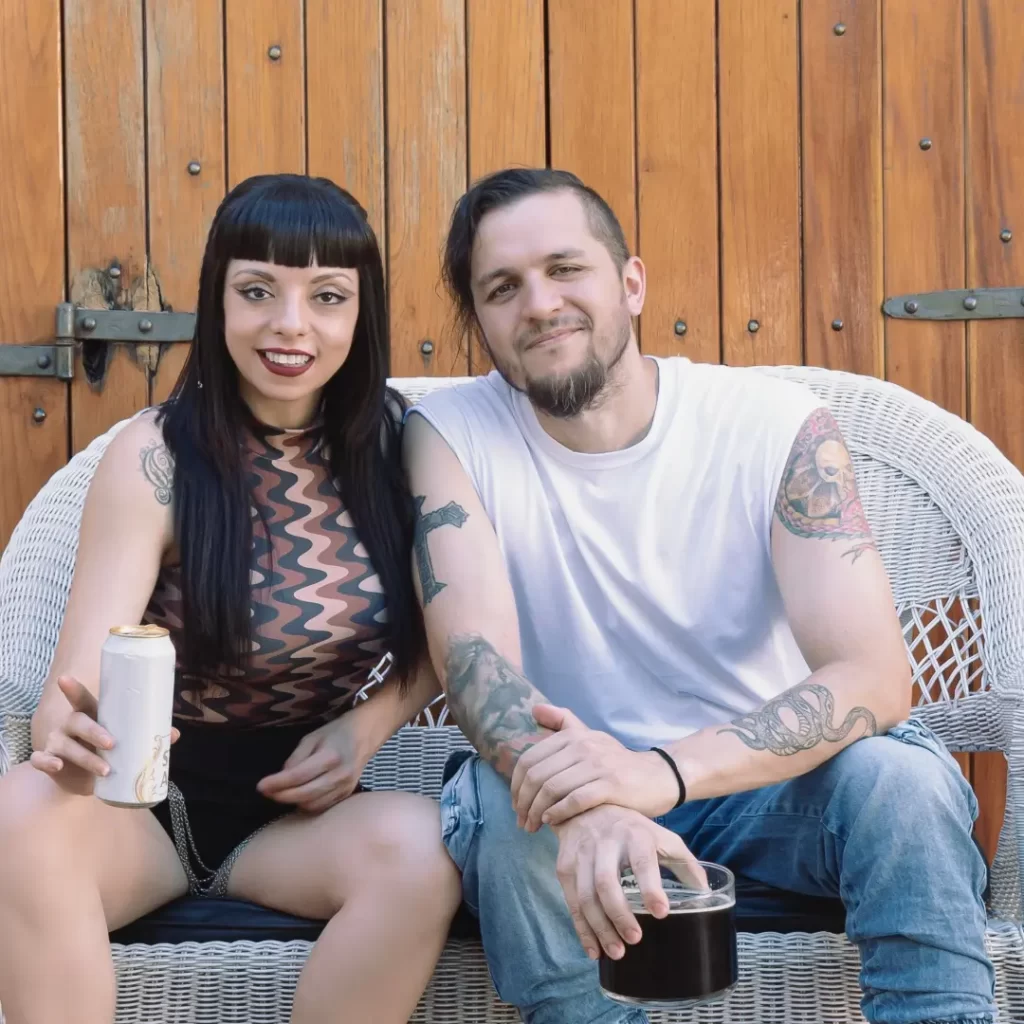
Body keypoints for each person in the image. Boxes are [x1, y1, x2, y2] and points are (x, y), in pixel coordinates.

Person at [403, 167, 996, 1024]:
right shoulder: (451, 433)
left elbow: (873, 677)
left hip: (764, 788)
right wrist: (596, 798)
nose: (539, 304)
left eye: (565, 269)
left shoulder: (772, 424)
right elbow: (475, 665)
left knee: (900, 783)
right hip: (564, 793)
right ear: (481, 320)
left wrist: (657, 774)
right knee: (502, 808)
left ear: (631, 283)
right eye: (503, 288)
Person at [0, 174, 460, 1024]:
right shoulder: (157, 456)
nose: (291, 324)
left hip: (296, 822)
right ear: (217, 300)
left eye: (327, 296)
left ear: (361, 313)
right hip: (142, 810)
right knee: (18, 807)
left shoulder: (407, 450)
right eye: (257, 291)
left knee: (425, 851)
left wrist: (366, 730)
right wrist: (68, 726)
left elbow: (459, 635)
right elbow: (78, 672)